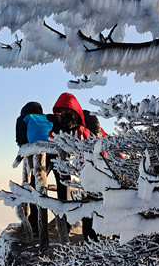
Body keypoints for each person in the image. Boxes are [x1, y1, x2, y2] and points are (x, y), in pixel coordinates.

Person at [47, 92, 103, 240]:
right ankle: (90, 240)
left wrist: (79, 131)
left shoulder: (89, 117)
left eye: (66, 113)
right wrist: (59, 126)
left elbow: (96, 140)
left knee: (97, 202)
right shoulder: (62, 124)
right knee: (87, 202)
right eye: (60, 113)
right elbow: (52, 138)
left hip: (107, 167)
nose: (62, 116)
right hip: (85, 170)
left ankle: (101, 239)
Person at [15, 101, 53, 238]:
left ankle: (36, 227)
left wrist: (23, 147)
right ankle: (65, 224)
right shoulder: (48, 117)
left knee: (35, 187)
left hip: (40, 154)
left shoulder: (25, 118)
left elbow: (20, 140)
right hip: (58, 151)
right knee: (63, 188)